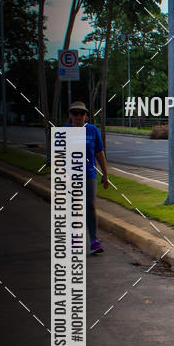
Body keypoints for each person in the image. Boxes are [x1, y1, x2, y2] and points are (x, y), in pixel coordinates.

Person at [67, 101, 109, 255]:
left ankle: (94, 240)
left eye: (81, 113)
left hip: (89, 174)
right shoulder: (64, 131)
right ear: (70, 115)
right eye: (75, 113)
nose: (78, 116)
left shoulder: (92, 130)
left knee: (90, 206)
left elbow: (99, 152)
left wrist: (105, 174)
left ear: (86, 116)